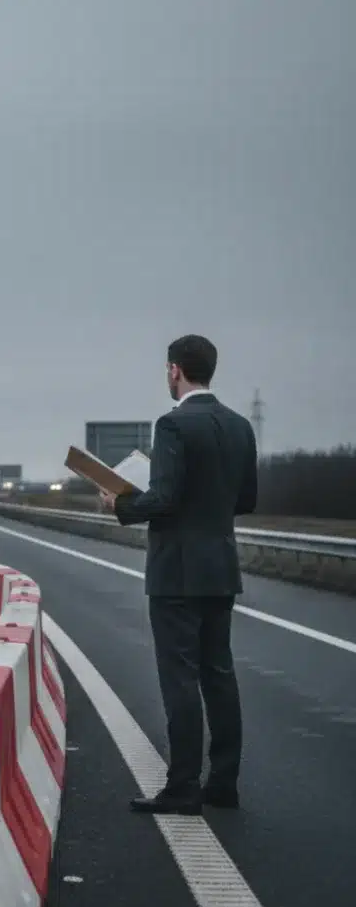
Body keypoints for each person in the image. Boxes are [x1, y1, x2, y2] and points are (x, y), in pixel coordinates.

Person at [100, 334, 257, 814]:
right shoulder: (239, 426)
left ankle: (183, 788)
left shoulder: (172, 425)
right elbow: (246, 501)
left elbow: (163, 499)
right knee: (219, 675)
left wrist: (120, 503)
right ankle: (223, 784)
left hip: (176, 575)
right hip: (221, 568)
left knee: (180, 680)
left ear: (174, 371)